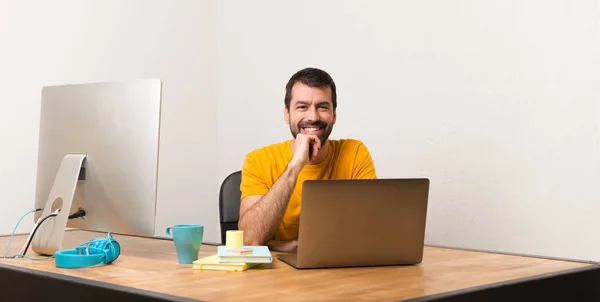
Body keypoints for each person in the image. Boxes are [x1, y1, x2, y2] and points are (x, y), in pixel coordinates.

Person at [238, 67, 377, 252]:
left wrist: (289, 246)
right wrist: (295, 165)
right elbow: (250, 239)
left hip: (338, 273)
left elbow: (372, 232)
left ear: (334, 115)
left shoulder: (355, 153)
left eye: (322, 107)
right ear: (287, 114)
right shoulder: (258, 160)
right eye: (302, 107)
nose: (313, 117)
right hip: (274, 276)